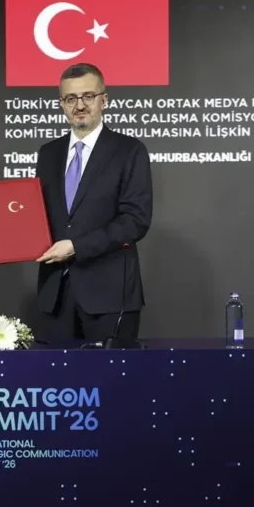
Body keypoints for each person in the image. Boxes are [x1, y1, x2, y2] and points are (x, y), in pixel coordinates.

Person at [34, 63, 153, 341]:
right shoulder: (48, 153)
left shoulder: (129, 150)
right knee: (57, 371)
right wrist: (2, 213)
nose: (80, 105)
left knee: (111, 371)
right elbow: (40, 213)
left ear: (104, 100)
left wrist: (76, 246)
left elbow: (135, 221)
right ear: (62, 104)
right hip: (55, 296)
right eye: (70, 98)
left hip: (109, 297)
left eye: (88, 96)